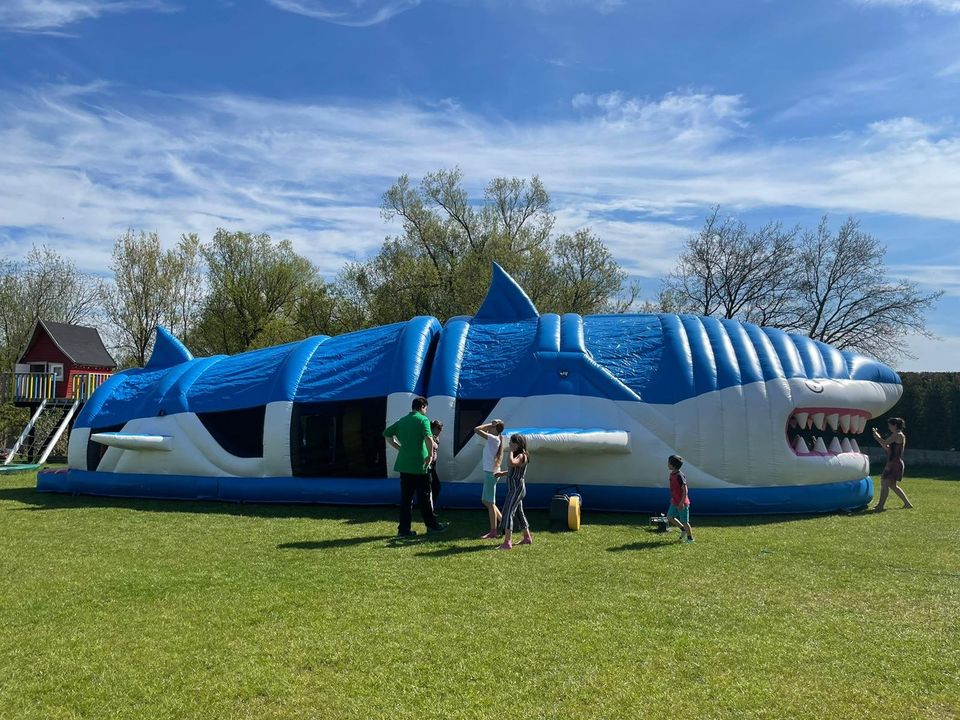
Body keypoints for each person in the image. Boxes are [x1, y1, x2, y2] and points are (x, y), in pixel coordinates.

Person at [383, 397, 448, 537]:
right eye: (426, 408)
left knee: (406, 499)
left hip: (404, 465)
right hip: (420, 465)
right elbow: (429, 438)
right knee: (425, 497)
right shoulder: (423, 420)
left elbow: (387, 434)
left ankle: (403, 529)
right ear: (423, 406)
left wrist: (399, 447)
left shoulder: (402, 421)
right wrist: (430, 455)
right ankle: (432, 525)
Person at [495, 434, 532, 550]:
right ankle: (527, 537)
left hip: (516, 489)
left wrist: (510, 451)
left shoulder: (522, 455)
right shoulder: (518, 455)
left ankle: (507, 542)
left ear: (519, 444)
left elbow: (512, 463)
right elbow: (513, 468)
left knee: (508, 512)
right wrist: (503, 473)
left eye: (512, 443)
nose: (510, 444)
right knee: (519, 513)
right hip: (515, 488)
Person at [871, 417, 913, 511]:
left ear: (895, 425)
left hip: (894, 464)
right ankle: (907, 504)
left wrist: (877, 436)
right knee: (892, 485)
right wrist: (877, 437)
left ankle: (880, 506)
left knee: (885, 483)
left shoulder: (897, 435)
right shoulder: (897, 435)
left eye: (890, 425)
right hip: (893, 463)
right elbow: (887, 448)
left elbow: (885, 442)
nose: (889, 427)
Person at [474, 419, 506, 539]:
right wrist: (494, 425)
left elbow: (476, 429)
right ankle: (503, 522)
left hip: (490, 474)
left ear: (495, 429)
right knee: (486, 501)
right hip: (490, 473)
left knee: (490, 502)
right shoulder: (495, 438)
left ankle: (493, 530)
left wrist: (491, 424)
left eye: (493, 426)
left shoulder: (493, 438)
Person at [666, 455, 694, 543]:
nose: (667, 464)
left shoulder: (680, 475)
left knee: (685, 521)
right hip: (675, 501)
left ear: (672, 465)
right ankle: (683, 529)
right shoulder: (672, 474)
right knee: (670, 517)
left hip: (682, 502)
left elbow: (685, 490)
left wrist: (682, 503)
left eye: (668, 463)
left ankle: (690, 538)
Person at [428, 420, 443, 506]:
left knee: (435, 485)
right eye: (439, 430)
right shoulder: (429, 436)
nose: (440, 432)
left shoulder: (436, 436)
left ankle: (431, 504)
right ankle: (429, 505)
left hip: (433, 463)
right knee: (435, 485)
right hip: (428, 463)